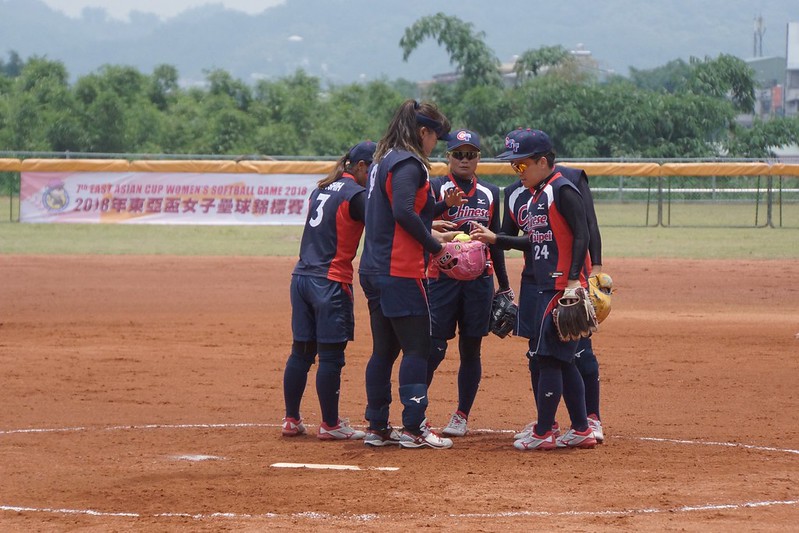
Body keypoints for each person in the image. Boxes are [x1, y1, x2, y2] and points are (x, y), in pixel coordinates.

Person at [471, 128, 596, 450]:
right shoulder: (538, 194)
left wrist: (573, 280)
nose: (517, 171)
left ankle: (543, 432)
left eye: (522, 164)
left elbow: (582, 234)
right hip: (543, 284)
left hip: (559, 286)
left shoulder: (561, 189)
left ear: (542, 161)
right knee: (562, 360)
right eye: (514, 165)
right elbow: (535, 240)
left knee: (549, 358)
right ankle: (581, 429)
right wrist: (496, 238)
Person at [358, 99, 454, 449]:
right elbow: (402, 211)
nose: (435, 144)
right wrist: (435, 246)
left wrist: (436, 214)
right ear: (423, 131)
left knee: (384, 350)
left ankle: (377, 426)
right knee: (417, 348)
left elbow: (398, 211)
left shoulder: (383, 160)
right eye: (435, 137)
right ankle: (414, 428)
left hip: (374, 267)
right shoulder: (409, 163)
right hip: (399, 270)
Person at [281, 141, 376, 441]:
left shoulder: (321, 189)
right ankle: (330, 424)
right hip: (330, 282)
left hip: (301, 278)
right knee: (332, 356)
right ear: (361, 166)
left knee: (301, 352)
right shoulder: (356, 195)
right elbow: (384, 226)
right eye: (373, 169)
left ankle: (291, 419)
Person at [425, 128, 511, 437]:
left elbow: (495, 241)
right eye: (458, 154)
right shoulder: (434, 187)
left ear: (478, 158)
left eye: (470, 154)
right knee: (434, 347)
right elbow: (417, 227)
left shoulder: (490, 192)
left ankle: (461, 415)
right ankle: (417, 412)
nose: (464, 159)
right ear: (447, 157)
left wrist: (504, 285)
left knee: (471, 348)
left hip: (479, 281)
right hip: (441, 279)